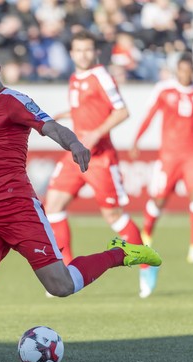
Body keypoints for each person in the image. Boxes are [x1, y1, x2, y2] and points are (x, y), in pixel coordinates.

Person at [0, 42, 162, 362]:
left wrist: (74, 144)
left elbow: (50, 126)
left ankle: (120, 253)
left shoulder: (14, 102)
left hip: (17, 208)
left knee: (61, 287)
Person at [44, 30, 149, 298]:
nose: (83, 54)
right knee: (52, 204)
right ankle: (65, 270)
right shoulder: (74, 78)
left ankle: (146, 264)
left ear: (95, 52)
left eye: (88, 50)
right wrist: (67, 114)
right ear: (71, 53)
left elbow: (122, 110)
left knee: (113, 216)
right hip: (76, 154)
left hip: (100, 158)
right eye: (78, 50)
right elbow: (87, 107)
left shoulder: (101, 75)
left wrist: (97, 132)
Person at [130, 53, 193, 276]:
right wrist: (136, 140)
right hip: (169, 155)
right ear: (176, 71)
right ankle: (146, 236)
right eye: (181, 70)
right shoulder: (164, 90)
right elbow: (149, 116)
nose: (185, 75)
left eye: (188, 71)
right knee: (159, 199)